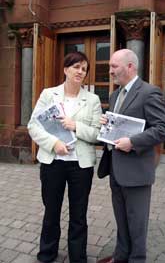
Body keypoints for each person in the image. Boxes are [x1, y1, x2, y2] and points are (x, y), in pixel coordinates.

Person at [27, 51, 102, 263]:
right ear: (65, 69)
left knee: (79, 214)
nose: (80, 72)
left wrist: (75, 126)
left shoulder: (92, 100)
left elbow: (97, 134)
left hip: (81, 165)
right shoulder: (49, 94)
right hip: (53, 164)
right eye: (76, 67)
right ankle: (47, 253)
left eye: (84, 69)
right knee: (51, 210)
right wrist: (54, 144)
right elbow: (34, 125)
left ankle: (78, 257)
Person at [97, 49, 165, 263]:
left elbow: (163, 128)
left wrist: (133, 142)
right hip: (115, 169)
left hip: (137, 172)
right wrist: (106, 125)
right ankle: (121, 257)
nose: (110, 71)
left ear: (130, 66)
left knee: (137, 223)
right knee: (121, 220)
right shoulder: (114, 94)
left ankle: (137, 259)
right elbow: (118, 127)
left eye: (114, 66)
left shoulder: (149, 92)